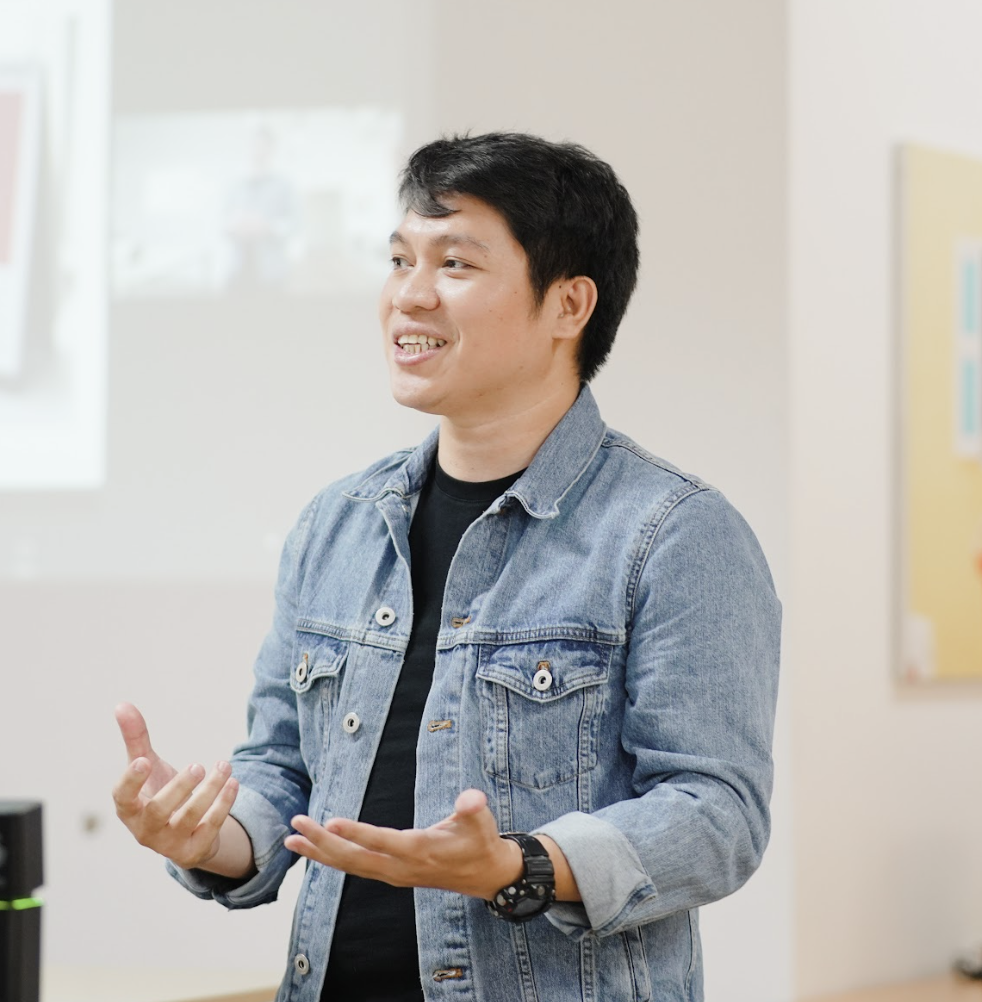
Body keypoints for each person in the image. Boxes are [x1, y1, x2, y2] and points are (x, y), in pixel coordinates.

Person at [112, 132, 781, 1002]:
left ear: (568, 305)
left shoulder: (674, 534)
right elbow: (283, 778)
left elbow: (717, 813)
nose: (409, 296)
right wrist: (206, 838)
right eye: (399, 259)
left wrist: (521, 865)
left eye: (455, 264)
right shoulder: (337, 524)